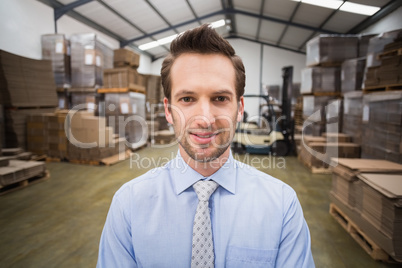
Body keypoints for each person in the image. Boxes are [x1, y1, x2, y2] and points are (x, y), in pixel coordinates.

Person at [97, 24, 315, 267]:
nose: (205, 118)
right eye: (187, 99)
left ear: (240, 108)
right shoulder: (129, 205)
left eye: (220, 98)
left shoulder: (282, 206)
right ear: (168, 111)